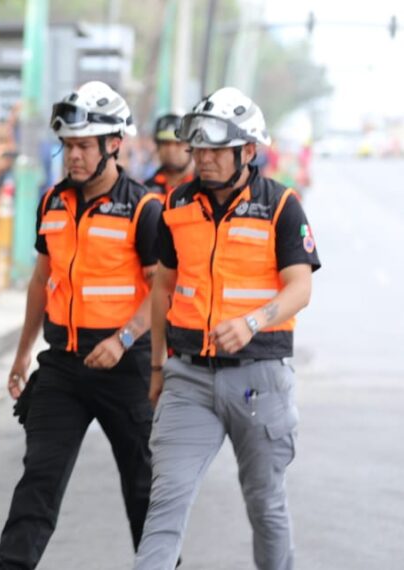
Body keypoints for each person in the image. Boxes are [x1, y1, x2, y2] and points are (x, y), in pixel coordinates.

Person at [135, 88, 320, 570]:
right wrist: (157, 368)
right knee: (165, 505)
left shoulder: (282, 206)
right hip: (187, 379)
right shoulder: (175, 204)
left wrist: (253, 322)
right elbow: (163, 290)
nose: (206, 160)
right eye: (199, 150)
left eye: (218, 150)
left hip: (260, 379)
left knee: (265, 505)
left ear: (248, 151)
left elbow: (300, 287)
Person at [0, 81, 162, 570]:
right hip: (63, 367)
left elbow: (162, 291)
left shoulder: (145, 209)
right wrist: (23, 353)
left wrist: (124, 338)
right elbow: (40, 281)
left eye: (84, 146)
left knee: (143, 485)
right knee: (38, 481)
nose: (73, 156)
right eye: (68, 145)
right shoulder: (51, 202)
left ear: (113, 144)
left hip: (124, 367)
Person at [144, 113, 194, 196]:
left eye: (178, 144)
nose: (171, 149)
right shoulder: (146, 190)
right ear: (157, 147)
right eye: (166, 143)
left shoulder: (204, 188)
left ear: (191, 147)